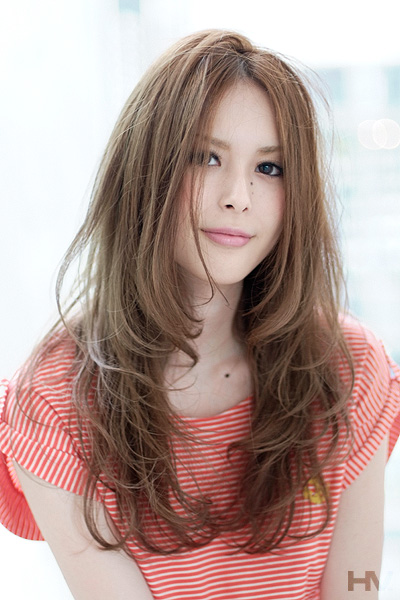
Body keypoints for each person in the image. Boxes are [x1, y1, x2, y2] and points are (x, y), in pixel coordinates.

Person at [1, 29, 399, 600]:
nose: (238, 195)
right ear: (145, 170)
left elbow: (359, 588)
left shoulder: (348, 367)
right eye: (206, 157)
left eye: (270, 168)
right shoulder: (57, 398)